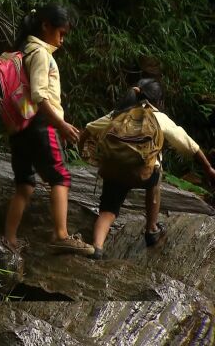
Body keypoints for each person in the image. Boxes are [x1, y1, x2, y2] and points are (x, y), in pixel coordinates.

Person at [79, 78, 215, 259]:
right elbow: (190, 147)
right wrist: (209, 170)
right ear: (159, 101)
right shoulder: (159, 118)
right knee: (155, 176)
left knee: (108, 211)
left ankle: (97, 246)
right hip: (143, 174)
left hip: (114, 171)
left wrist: (82, 151)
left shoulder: (118, 113)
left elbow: (88, 129)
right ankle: (151, 230)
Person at [3, 4, 94, 255]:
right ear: (46, 26)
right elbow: (40, 97)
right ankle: (61, 234)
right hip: (40, 125)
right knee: (60, 177)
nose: (62, 40)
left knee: (25, 184)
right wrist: (61, 124)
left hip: (19, 126)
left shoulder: (21, 50)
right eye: (60, 33)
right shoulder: (41, 54)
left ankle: (9, 239)